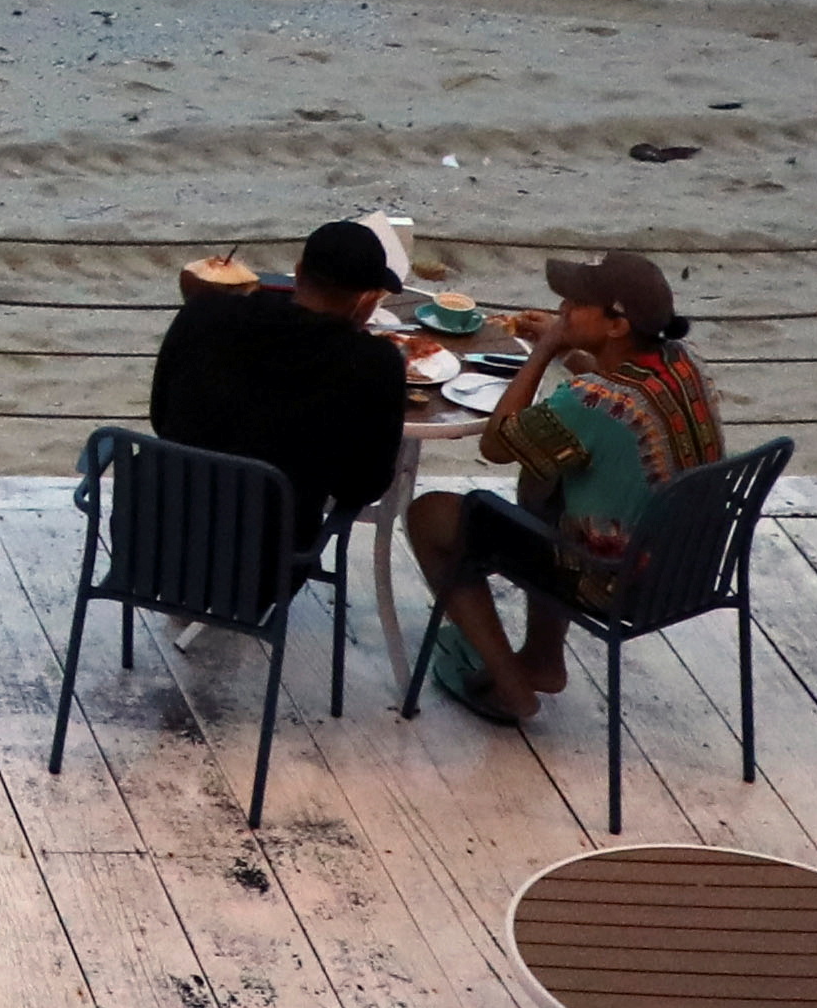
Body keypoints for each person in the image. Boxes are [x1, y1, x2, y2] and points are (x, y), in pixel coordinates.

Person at [404, 249, 723, 722]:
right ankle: (541, 659)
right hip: (687, 570)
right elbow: (610, 398)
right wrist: (576, 350)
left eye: (575, 304)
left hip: (611, 579)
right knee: (544, 472)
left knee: (429, 515)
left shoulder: (593, 399)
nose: (562, 311)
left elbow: (496, 443)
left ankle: (513, 690)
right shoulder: (681, 364)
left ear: (617, 325)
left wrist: (545, 350)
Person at [149, 215, 418, 575]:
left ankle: (189, 601)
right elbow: (363, 486)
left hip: (151, 548)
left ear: (298, 271)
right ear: (366, 300)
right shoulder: (375, 363)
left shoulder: (202, 313)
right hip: (263, 572)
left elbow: (160, 415)